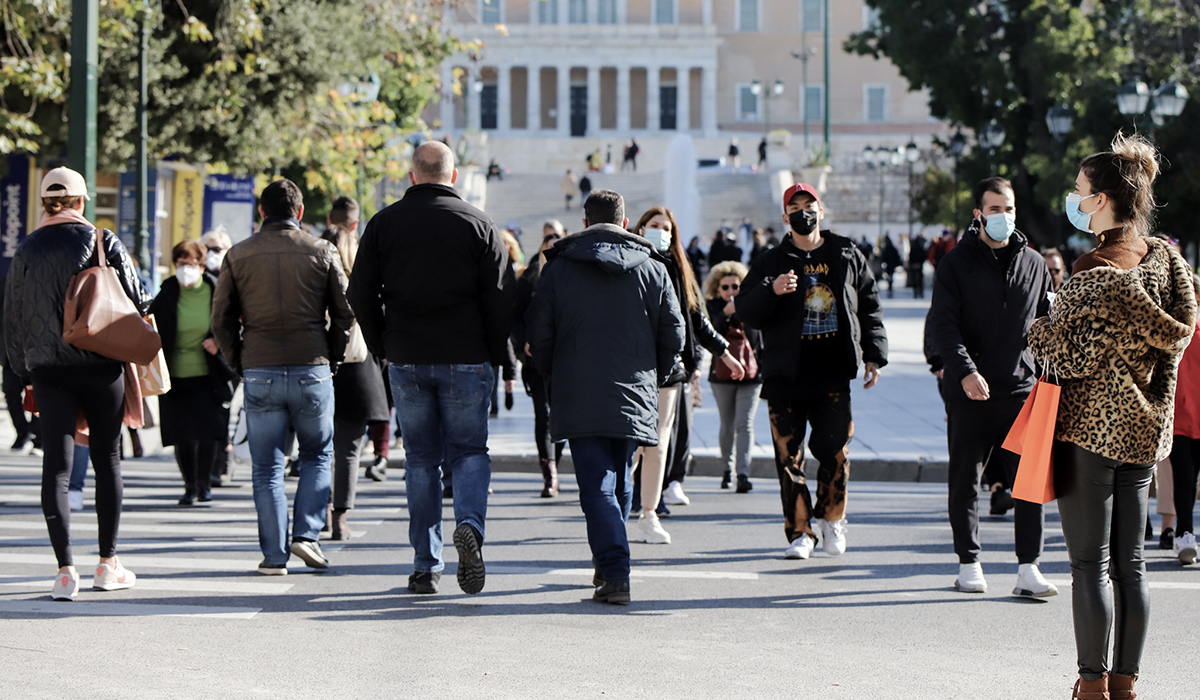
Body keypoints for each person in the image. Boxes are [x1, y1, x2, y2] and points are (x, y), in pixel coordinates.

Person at [1027, 133, 1197, 700]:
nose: (1074, 199)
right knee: (1134, 567)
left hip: (1090, 433)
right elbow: (1178, 336)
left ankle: (1093, 685)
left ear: (1102, 201)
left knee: (1088, 567)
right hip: (1146, 434)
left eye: (1080, 191)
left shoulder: (1092, 271)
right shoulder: (1169, 263)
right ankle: (1125, 684)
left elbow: (1064, 357)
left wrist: (1038, 329)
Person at [348, 141, 511, 596]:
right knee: (469, 452)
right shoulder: (479, 224)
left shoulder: (384, 224)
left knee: (421, 459)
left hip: (408, 356)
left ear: (412, 175)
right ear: (453, 176)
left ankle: (425, 565)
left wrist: (385, 345)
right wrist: (498, 355)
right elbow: (501, 297)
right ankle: (471, 529)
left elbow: (359, 294)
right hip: (466, 355)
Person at [526, 189, 686, 604]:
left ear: (584, 222)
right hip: (634, 388)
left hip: (579, 388)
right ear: (625, 221)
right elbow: (675, 334)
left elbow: (539, 335)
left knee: (597, 485)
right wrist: (655, 375)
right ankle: (608, 563)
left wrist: (554, 372)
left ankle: (614, 570)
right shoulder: (654, 268)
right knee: (618, 479)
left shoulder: (559, 269)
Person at [4, 166, 152, 600]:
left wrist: (23, 372)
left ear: (44, 203)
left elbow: (11, 316)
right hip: (100, 364)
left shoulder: (27, 247)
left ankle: (64, 572)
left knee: (57, 467)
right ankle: (107, 563)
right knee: (108, 459)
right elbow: (139, 298)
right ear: (82, 201)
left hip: (49, 372)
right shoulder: (102, 240)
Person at [736, 182, 887, 560]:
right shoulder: (771, 260)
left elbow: (868, 304)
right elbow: (746, 311)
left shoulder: (845, 252)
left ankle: (831, 517)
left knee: (835, 450)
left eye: (810, 204)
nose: (804, 211)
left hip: (832, 370)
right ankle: (800, 532)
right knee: (789, 460)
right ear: (785, 217)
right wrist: (771, 290)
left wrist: (875, 354)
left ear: (822, 211)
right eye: (795, 206)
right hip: (785, 374)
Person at [212, 178, 354, 576]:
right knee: (317, 454)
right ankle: (306, 535)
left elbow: (220, 318)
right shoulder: (321, 249)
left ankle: (274, 556)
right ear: (300, 212)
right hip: (312, 365)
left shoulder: (238, 255)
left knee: (267, 467)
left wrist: (239, 360)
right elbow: (345, 312)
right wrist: (333, 357)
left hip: (260, 366)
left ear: (261, 212)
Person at [928, 177, 1055, 597]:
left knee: (1028, 483)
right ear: (979, 213)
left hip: (1020, 390)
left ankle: (1028, 568)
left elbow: (1046, 325)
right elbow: (943, 325)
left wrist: (1045, 373)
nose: (1004, 216)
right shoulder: (955, 264)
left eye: (1010, 208)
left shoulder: (1034, 264)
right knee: (965, 480)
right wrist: (964, 371)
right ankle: (969, 563)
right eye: (996, 209)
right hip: (969, 392)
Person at [629, 206, 743, 535]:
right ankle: (617, 503)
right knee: (633, 445)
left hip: (671, 368)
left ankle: (649, 513)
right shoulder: (630, 263)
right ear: (640, 228)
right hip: (634, 366)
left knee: (659, 443)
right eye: (654, 225)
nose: (661, 232)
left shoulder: (680, 268)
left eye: (666, 227)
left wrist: (724, 352)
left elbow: (697, 319)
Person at [320, 197, 390, 540]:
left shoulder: (315, 263)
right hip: (357, 365)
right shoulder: (362, 274)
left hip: (318, 362)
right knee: (348, 448)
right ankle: (340, 517)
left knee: (317, 447)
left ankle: (316, 511)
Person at [149, 240, 238, 506]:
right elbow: (151, 327)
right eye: (180, 264)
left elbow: (234, 323)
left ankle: (204, 483)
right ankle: (189, 485)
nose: (185, 269)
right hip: (175, 375)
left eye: (190, 264)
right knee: (182, 435)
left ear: (201, 266)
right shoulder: (167, 293)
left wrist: (218, 342)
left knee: (208, 431)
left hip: (208, 374)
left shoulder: (216, 290)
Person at [512, 223, 566, 497]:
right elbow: (516, 317)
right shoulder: (528, 277)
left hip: (565, 361)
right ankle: (550, 473)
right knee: (542, 415)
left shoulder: (573, 274)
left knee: (560, 415)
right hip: (535, 362)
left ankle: (555, 461)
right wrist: (524, 344)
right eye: (547, 248)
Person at [704, 260, 762, 493]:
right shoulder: (712, 307)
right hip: (721, 375)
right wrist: (726, 314)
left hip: (751, 376)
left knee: (744, 424)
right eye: (725, 287)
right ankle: (726, 469)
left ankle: (743, 473)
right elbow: (709, 335)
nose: (731, 292)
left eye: (735, 286)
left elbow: (756, 337)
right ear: (717, 289)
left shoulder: (751, 306)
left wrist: (741, 311)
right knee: (727, 425)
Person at [908, 232, 928, 298]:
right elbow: (924, 256)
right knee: (920, 280)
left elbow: (910, 257)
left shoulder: (913, 248)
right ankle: (920, 292)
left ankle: (916, 292)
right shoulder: (920, 248)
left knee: (915, 280)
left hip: (914, 266)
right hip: (919, 266)